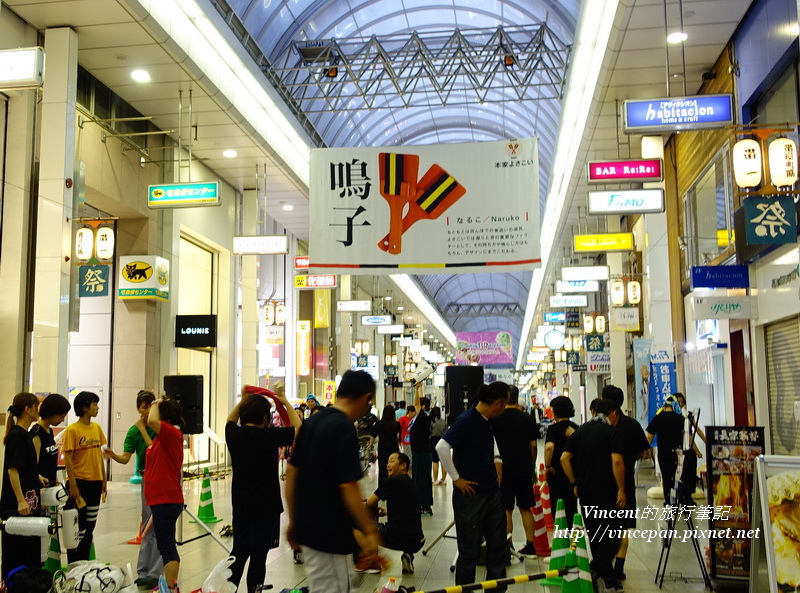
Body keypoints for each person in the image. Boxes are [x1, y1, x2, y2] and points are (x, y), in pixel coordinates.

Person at [286, 370, 379, 593]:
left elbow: (291, 474)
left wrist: (293, 519)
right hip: (330, 537)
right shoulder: (344, 428)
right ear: (366, 398)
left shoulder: (311, 422)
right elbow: (348, 486)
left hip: (309, 532)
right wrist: (369, 531)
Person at [226, 382, 301, 593]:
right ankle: (254, 590)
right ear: (265, 418)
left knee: (239, 551)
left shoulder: (234, 435)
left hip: (241, 505)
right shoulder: (269, 436)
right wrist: (283, 400)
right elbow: (297, 428)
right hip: (266, 507)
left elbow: (230, 419)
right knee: (258, 555)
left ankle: (226, 588)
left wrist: (243, 400)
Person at [436, 381, 510, 591]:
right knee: (469, 551)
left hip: (492, 493)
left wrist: (497, 460)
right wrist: (456, 478)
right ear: (497, 403)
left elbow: (490, 442)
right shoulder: (467, 420)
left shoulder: (486, 421)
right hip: (471, 497)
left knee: (498, 546)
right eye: (504, 404)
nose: (504, 409)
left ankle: (496, 589)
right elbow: (442, 446)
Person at [561, 398, 625, 592]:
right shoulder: (611, 432)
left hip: (585, 492)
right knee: (614, 536)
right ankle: (593, 570)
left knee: (596, 535)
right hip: (607, 492)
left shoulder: (580, 432)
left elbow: (564, 459)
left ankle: (602, 577)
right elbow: (617, 462)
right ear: (612, 414)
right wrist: (622, 488)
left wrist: (574, 482)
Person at [102, 390, 162, 589]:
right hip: (147, 478)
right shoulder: (133, 431)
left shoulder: (160, 426)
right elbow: (126, 457)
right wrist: (113, 455)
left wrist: (144, 430)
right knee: (147, 525)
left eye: (150, 407)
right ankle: (145, 571)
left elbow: (155, 449)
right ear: (138, 408)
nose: (146, 411)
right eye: (143, 407)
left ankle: (156, 571)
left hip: (162, 478)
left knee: (160, 523)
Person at [602, 385, 650, 582]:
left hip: (603, 484)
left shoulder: (599, 426)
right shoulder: (632, 425)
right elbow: (644, 452)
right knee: (622, 528)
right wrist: (632, 456)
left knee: (604, 528)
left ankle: (604, 566)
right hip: (626, 485)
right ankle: (618, 569)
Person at [354, 452, 425, 574]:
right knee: (404, 528)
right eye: (387, 461)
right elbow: (409, 508)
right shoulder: (410, 482)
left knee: (356, 524)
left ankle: (369, 563)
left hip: (397, 537)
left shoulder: (393, 480)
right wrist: (388, 511)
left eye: (392, 461)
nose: (388, 465)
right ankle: (408, 555)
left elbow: (370, 502)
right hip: (417, 540)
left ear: (403, 465)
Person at [491, 385, 539, 557]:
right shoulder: (526, 418)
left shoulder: (495, 418)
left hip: (502, 469)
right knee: (526, 507)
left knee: (506, 509)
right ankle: (530, 545)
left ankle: (507, 545)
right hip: (523, 468)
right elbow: (533, 446)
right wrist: (531, 467)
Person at [144, 397, 185, 593]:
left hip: (167, 500)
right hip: (160, 501)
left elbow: (152, 421)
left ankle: (170, 588)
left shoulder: (172, 433)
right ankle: (169, 586)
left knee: (167, 546)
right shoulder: (160, 438)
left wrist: (154, 403)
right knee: (164, 545)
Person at [2, 393, 43, 580]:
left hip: (29, 504)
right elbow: (13, 470)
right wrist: (20, 500)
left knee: (30, 553)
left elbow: (24, 467)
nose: (38, 410)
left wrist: (36, 476)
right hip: (18, 507)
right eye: (37, 406)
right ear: (28, 409)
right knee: (17, 554)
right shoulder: (17, 436)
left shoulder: (25, 435)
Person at [63, 390, 107, 563]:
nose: (97, 407)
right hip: (79, 483)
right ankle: (74, 563)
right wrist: (73, 485)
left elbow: (99, 455)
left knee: (90, 526)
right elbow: (68, 459)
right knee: (78, 528)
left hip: (95, 483)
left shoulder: (96, 428)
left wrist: (104, 481)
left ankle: (85, 564)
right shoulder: (72, 430)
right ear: (84, 407)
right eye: (94, 404)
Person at [544, 396, 578, 527]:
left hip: (556, 473)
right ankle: (572, 536)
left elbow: (549, 447)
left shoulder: (553, 429)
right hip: (572, 473)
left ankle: (561, 536)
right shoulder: (575, 427)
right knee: (571, 506)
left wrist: (548, 465)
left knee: (558, 507)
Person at [30, 393, 70, 488]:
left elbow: (51, 463)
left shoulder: (50, 431)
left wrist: (56, 482)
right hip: (40, 487)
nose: (62, 419)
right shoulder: (37, 434)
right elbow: (32, 465)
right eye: (61, 416)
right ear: (52, 412)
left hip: (50, 486)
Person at [409, 387, 433, 515]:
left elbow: (416, 403)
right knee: (419, 479)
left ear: (423, 406)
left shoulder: (423, 417)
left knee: (422, 480)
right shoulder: (421, 418)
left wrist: (418, 388)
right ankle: (423, 504)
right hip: (420, 453)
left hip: (422, 453)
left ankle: (425, 505)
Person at [371, 405, 400, 485]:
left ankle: (383, 488)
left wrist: (371, 446)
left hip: (382, 449)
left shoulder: (379, 424)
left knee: (383, 469)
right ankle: (393, 486)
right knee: (393, 469)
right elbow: (398, 436)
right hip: (394, 449)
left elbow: (372, 436)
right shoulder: (397, 424)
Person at [429, 407, 446, 484]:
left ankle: (435, 479)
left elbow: (429, 432)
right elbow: (446, 432)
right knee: (443, 461)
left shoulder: (431, 422)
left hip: (433, 440)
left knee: (435, 460)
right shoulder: (443, 422)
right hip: (442, 440)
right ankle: (443, 479)